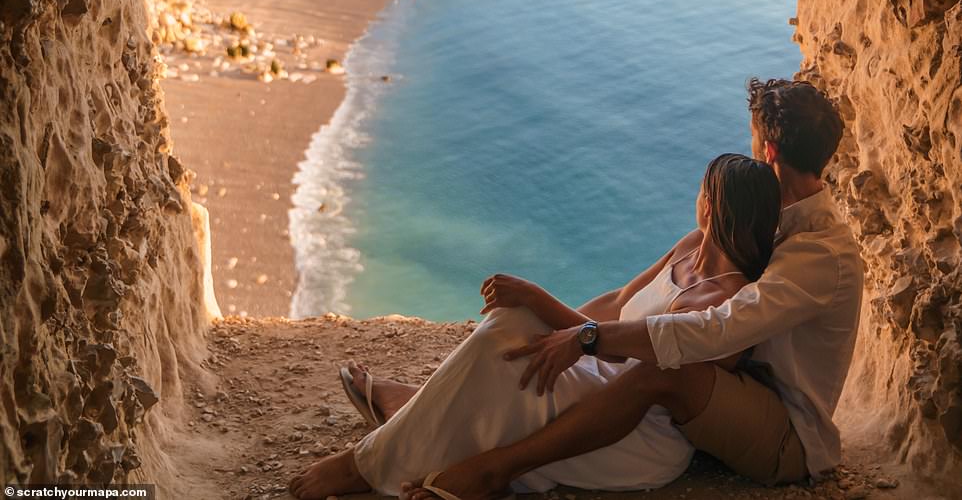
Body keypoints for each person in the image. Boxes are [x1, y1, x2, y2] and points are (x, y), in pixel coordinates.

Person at [399, 78, 863, 500]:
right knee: (533, 339)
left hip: (785, 431)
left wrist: (585, 338)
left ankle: (496, 469)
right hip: (727, 394)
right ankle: (435, 411)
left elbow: (716, 330)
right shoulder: (762, 223)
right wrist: (548, 336)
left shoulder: (819, 254)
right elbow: (622, 302)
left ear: (770, 152)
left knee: (665, 369)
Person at [288, 152, 781, 499]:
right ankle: (420, 408)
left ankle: (366, 462)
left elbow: (624, 357)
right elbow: (617, 302)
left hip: (631, 433)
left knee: (513, 331)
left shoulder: (726, 302)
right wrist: (551, 329)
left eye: (700, 191)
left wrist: (542, 302)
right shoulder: (690, 246)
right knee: (514, 327)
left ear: (713, 205)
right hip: (595, 378)